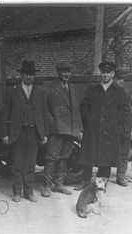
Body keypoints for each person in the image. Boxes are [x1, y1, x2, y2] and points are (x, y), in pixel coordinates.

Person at [75, 61, 129, 191]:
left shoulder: (119, 91)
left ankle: (101, 184)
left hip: (110, 131)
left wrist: (116, 121)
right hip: (93, 129)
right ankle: (85, 182)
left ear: (113, 74)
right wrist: (89, 119)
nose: (105, 75)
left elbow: (124, 110)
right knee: (88, 156)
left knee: (106, 158)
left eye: (108, 72)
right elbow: (84, 106)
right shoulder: (93, 89)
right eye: (103, 72)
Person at [2, 60, 48, 202]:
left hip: (34, 133)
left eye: (31, 74)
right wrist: (5, 134)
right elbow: (5, 113)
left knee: (30, 164)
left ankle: (28, 192)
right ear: (21, 75)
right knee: (17, 164)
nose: (29, 77)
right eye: (26, 74)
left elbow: (44, 113)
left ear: (34, 76)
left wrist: (45, 133)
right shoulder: (12, 91)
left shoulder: (40, 91)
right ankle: (17, 192)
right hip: (18, 132)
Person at [41, 61, 83, 197]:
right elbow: (43, 108)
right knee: (52, 157)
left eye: (68, 71)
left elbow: (76, 110)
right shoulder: (49, 86)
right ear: (58, 72)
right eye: (64, 71)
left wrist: (79, 129)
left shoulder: (73, 88)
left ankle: (58, 184)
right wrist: (51, 122)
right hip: (56, 129)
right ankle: (47, 186)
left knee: (64, 156)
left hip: (70, 129)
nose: (66, 74)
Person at [113, 69, 132, 187]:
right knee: (109, 153)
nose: (121, 81)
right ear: (113, 79)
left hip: (125, 128)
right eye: (118, 79)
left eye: (122, 79)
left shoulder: (124, 92)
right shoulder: (110, 92)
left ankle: (120, 177)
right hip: (114, 128)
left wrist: (131, 129)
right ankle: (103, 178)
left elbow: (128, 112)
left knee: (124, 154)